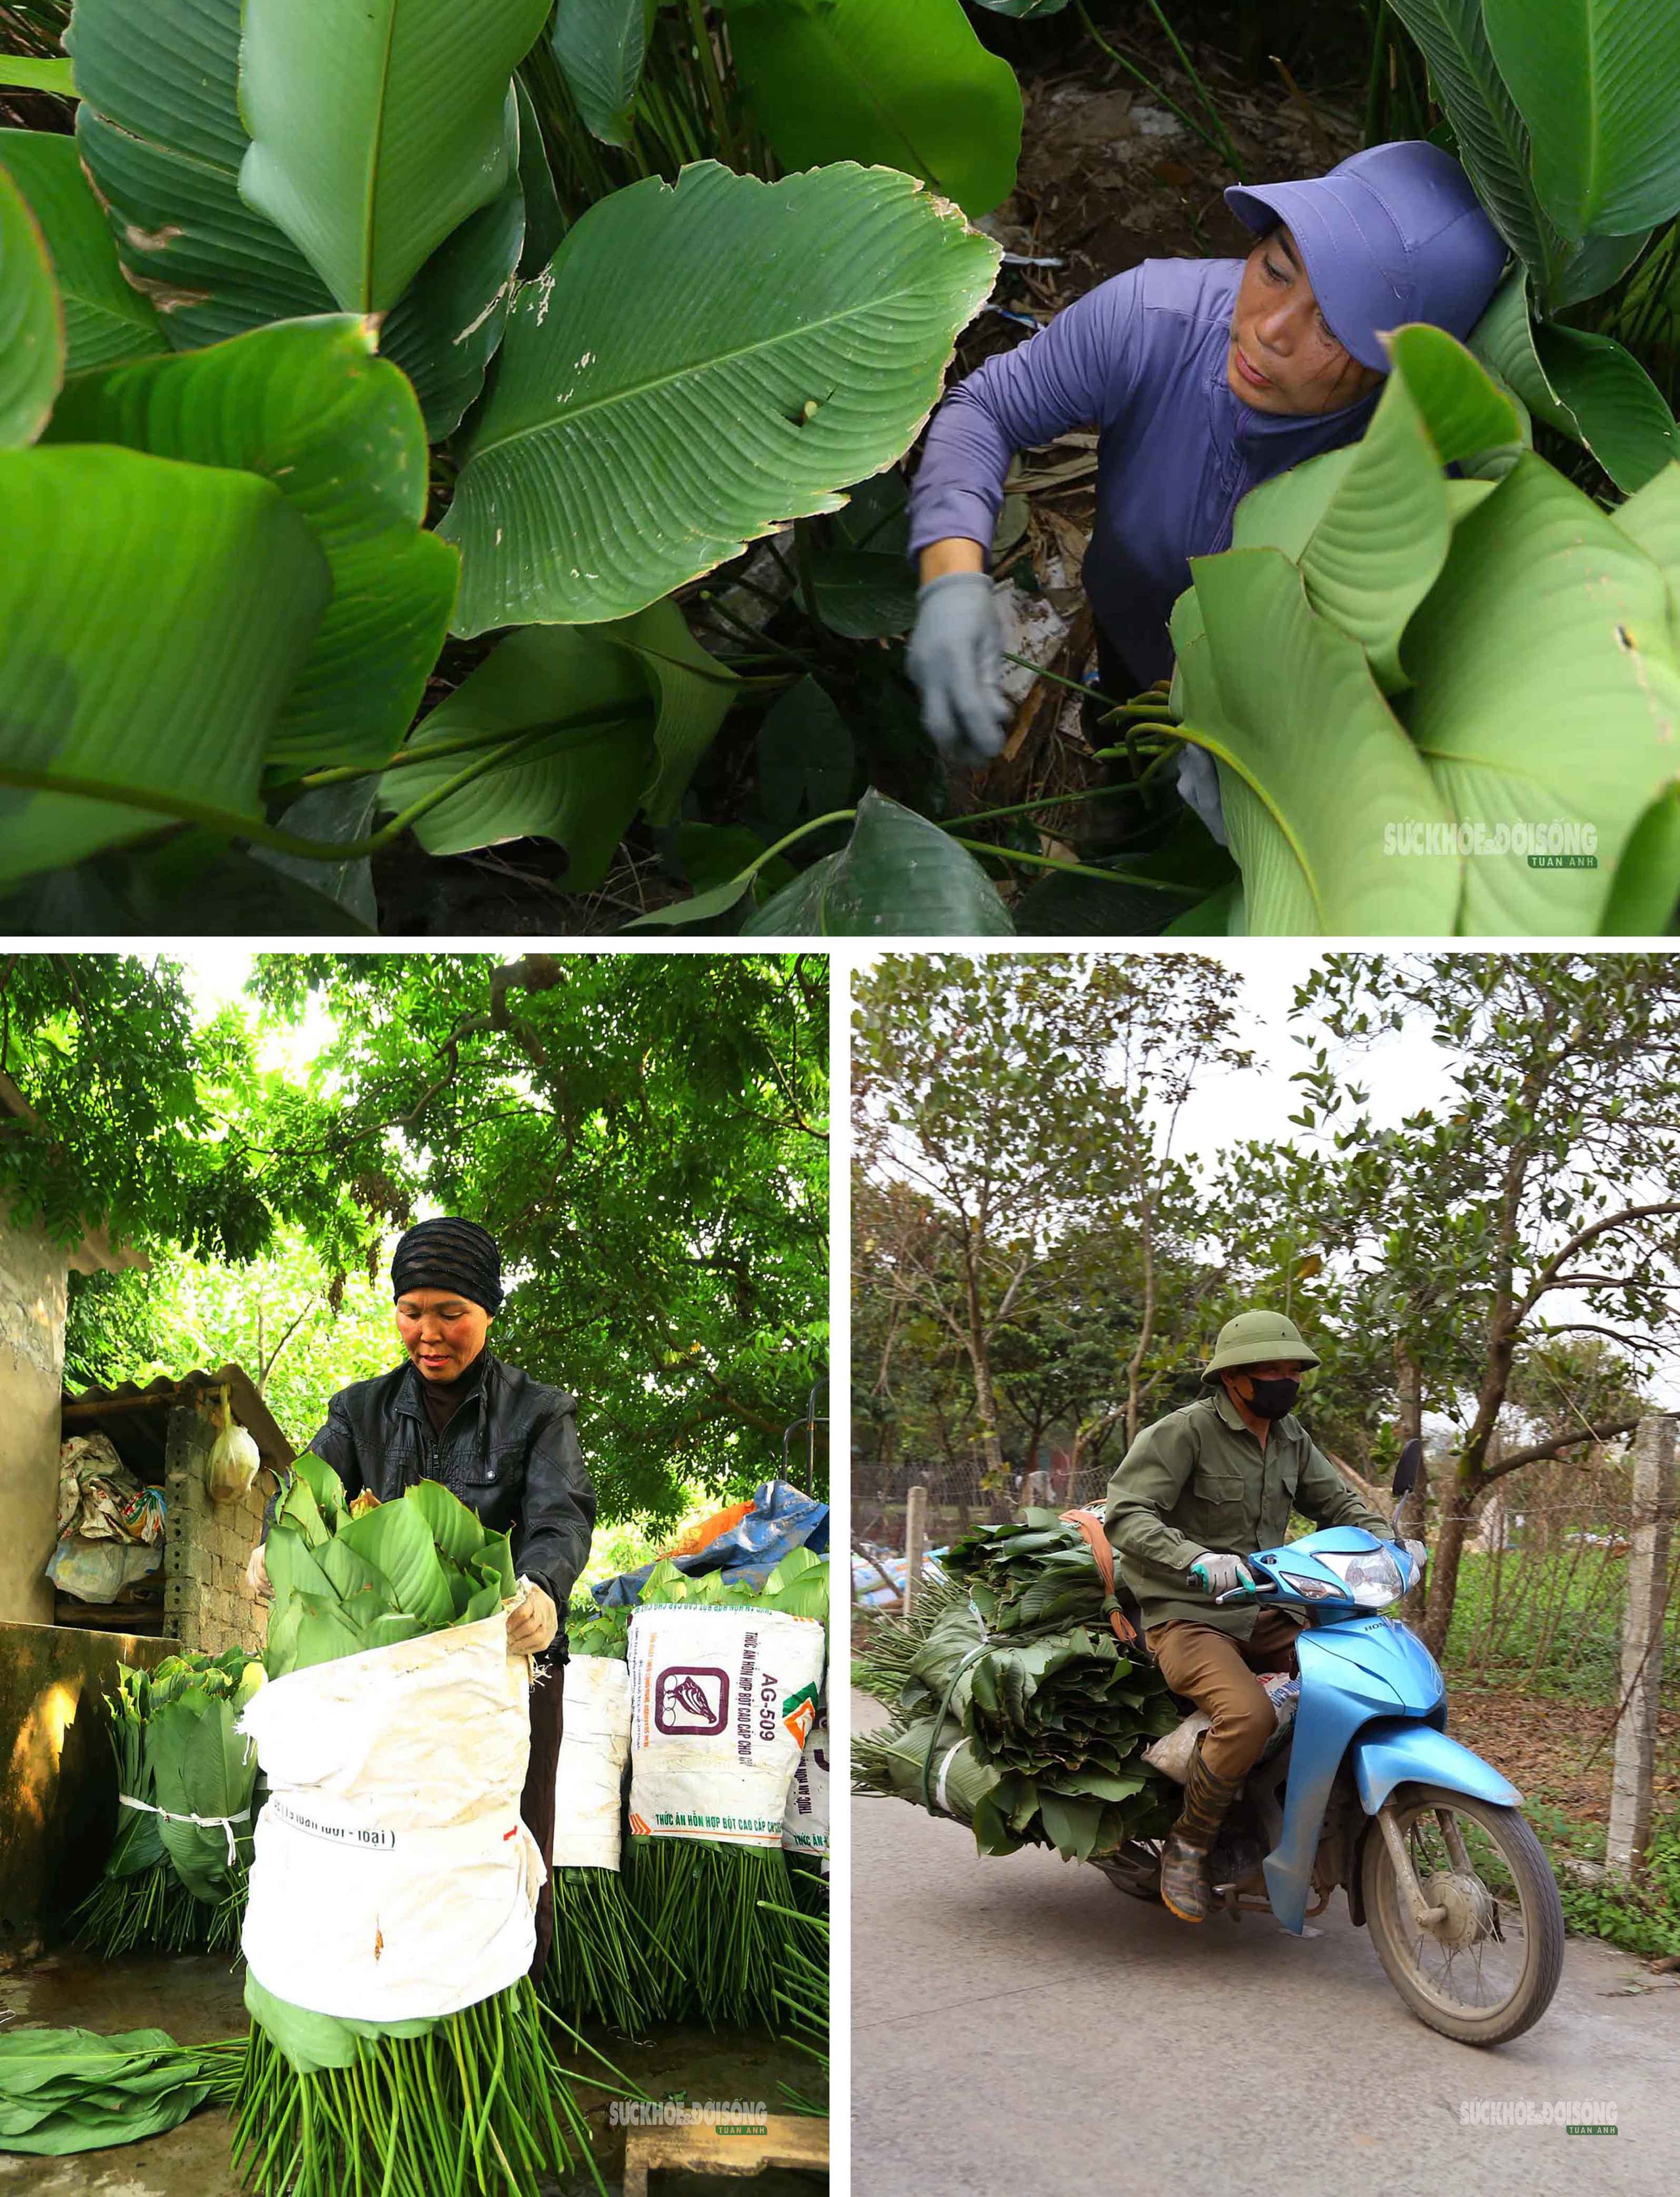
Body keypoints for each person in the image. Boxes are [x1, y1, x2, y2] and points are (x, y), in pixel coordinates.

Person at [904, 140, 1509, 838]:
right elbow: (986, 409)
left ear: (1405, 359)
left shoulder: (1421, 475)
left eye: (1335, 325)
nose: (1269, 329)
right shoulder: (1152, 319)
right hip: (1129, 637)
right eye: (1276, 270)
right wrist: (949, 575)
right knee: (1121, 756)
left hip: (1274, 717)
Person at [246, 1215, 597, 1979]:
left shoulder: (539, 1413)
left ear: (489, 1313)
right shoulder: (360, 1410)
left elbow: (560, 1518)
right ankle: (384, 1994)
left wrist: (539, 1589)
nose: (428, 1332)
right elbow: (306, 1494)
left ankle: (511, 2009)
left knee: (503, 1845)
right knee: (393, 1855)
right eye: (412, 1310)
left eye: (451, 1313)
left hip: (509, 1669)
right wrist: (271, 1547)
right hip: (389, 1684)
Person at [1101, 1308, 1425, 1924]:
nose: (1286, 1379)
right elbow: (1129, 1514)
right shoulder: (1184, 1432)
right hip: (1187, 1613)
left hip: (1263, 1607)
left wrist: (1391, 1542)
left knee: (1356, 1681)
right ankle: (1190, 1844)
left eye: (1293, 1369)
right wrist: (1196, 1557)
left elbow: (1337, 1501)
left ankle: (1318, 1822)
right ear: (1233, 1377)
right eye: (1270, 1369)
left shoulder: (1291, 1437)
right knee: (1247, 1714)